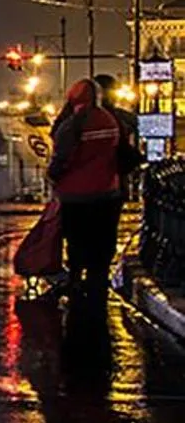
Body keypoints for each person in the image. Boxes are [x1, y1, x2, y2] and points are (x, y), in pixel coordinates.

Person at [48, 79, 127, 361]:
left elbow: (61, 159)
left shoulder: (72, 125)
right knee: (103, 242)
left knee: (76, 240)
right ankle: (97, 282)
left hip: (76, 195)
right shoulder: (110, 120)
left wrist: (54, 177)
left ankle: (76, 279)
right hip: (107, 192)